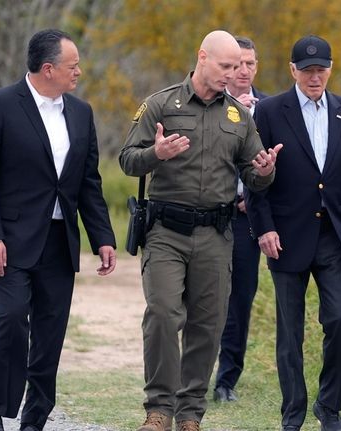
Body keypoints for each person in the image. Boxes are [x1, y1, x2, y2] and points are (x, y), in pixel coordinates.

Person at [118, 30, 281, 431]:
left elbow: (252, 174)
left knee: (207, 323)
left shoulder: (239, 116)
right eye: (226, 65)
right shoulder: (161, 104)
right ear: (202, 58)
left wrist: (265, 171)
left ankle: (190, 412)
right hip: (166, 231)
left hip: (215, 234)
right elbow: (127, 159)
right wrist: (156, 153)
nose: (234, 73)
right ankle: (158, 409)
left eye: (240, 66)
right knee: (162, 314)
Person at [0, 29, 117, 431]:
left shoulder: (81, 113)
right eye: (73, 66)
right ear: (47, 68)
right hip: (9, 241)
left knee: (50, 333)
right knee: (11, 316)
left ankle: (35, 419)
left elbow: (88, 181)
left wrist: (102, 237)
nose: (80, 72)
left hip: (58, 241)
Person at [246, 35, 341, 431]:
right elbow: (254, 176)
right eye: (307, 70)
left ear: (330, 69)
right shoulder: (268, 112)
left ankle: (329, 408)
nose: (314, 77)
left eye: (321, 70)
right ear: (292, 70)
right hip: (285, 237)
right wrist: (262, 228)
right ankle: (293, 414)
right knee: (290, 334)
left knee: (339, 319)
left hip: (335, 235)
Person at [213, 35, 270, 403]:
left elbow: (279, 165)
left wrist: (257, 195)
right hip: (209, 214)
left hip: (247, 218)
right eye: (237, 64)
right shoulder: (209, 103)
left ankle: (226, 380)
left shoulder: (271, 108)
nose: (244, 71)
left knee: (241, 299)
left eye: (251, 64)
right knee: (203, 296)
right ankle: (191, 369)